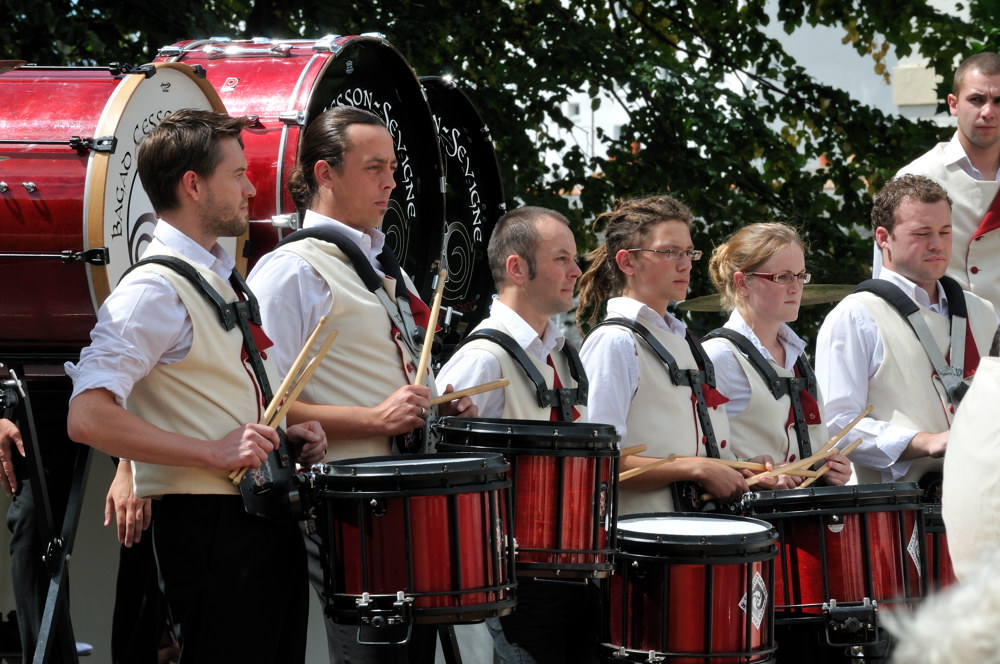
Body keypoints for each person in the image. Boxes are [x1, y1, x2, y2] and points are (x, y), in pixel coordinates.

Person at [65, 108, 328, 664]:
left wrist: (283, 434)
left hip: (256, 524)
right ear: (193, 184)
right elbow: (87, 417)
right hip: (210, 532)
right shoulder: (151, 290)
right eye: (237, 175)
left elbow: (214, 397)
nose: (251, 187)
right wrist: (210, 451)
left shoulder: (214, 276)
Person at [246, 105, 475, 664]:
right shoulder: (289, 270)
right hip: (345, 506)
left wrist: (440, 406)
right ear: (324, 173)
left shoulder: (379, 266)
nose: (391, 182)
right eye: (374, 167)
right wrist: (375, 419)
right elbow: (262, 405)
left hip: (403, 498)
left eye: (393, 166)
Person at [436, 205, 596, 664]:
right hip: (513, 586)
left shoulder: (563, 356)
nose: (577, 270)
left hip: (571, 576)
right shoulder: (482, 360)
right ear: (517, 268)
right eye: (562, 258)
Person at [577, 195, 788, 516]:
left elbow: (690, 449)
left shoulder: (685, 340)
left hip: (692, 537)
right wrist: (697, 469)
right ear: (627, 262)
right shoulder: (614, 342)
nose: (686, 264)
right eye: (670, 252)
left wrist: (736, 468)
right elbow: (597, 462)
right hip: (644, 544)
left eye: (689, 252)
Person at [816, 174, 996, 488]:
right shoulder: (855, 315)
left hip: (980, 497)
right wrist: (924, 442)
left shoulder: (981, 311)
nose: (937, 244)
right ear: (883, 237)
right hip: (896, 516)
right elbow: (837, 426)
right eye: (922, 233)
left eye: (945, 231)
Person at [702, 222, 852, 485]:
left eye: (800, 275)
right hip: (753, 521)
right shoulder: (719, 356)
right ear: (742, 283)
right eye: (782, 277)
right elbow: (701, 456)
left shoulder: (798, 356)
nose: (796, 287)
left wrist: (830, 468)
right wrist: (754, 474)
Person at [882, 52, 1000, 314]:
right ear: (953, 104)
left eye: (998, 101)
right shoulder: (916, 178)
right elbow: (890, 281)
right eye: (977, 99)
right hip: (943, 339)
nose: (988, 112)